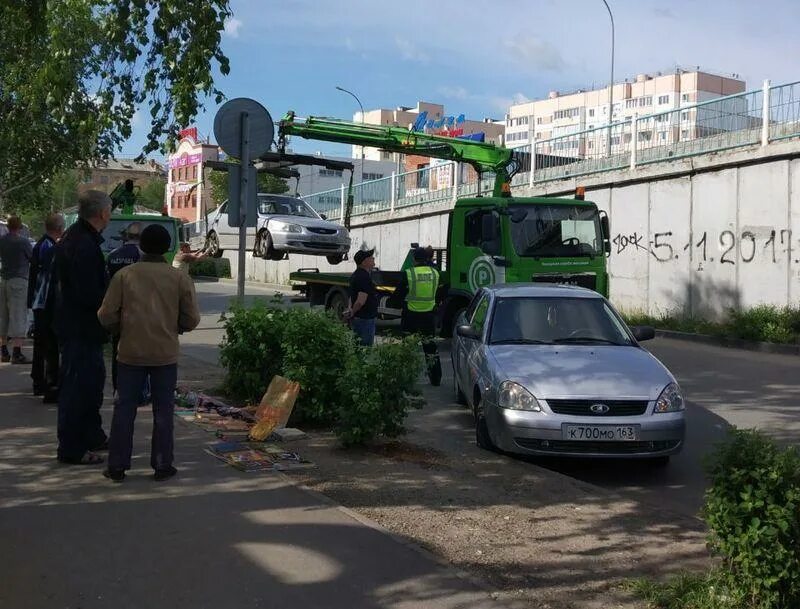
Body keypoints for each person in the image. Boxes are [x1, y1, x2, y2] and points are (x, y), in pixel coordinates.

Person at [98, 224, 200, 482]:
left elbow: (105, 314)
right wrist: (177, 326)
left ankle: (117, 466)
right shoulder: (178, 278)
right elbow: (191, 319)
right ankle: (162, 465)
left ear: (141, 246)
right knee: (163, 411)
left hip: (130, 352)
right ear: (168, 248)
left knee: (124, 409)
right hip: (164, 354)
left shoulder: (125, 275)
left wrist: (119, 329)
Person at [53, 190, 112, 465]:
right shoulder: (83, 244)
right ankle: (72, 448)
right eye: (109, 210)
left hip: (80, 327)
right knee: (78, 388)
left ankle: (92, 435)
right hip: (81, 327)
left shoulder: (79, 238)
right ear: (102, 213)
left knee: (90, 385)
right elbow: (89, 293)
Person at [28, 213, 65, 401]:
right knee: (47, 344)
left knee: (43, 343)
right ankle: (44, 382)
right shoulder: (49, 246)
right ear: (59, 228)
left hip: (39, 301)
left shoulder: (42, 244)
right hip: (45, 302)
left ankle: (40, 380)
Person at [394, 247, 442, 385]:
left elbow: (399, 294)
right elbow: (437, 293)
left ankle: (407, 378)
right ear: (427, 258)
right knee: (431, 348)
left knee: (408, 348)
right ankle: (436, 379)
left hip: (411, 316)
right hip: (428, 316)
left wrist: (396, 303)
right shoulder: (435, 273)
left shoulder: (409, 273)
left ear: (414, 259)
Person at [107, 222, 143, 395]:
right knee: (137, 353)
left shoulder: (113, 255)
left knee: (118, 351)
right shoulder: (142, 256)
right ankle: (136, 390)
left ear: (125, 237)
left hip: (118, 310)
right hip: (138, 311)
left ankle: (117, 388)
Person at [0, 215, 33, 364]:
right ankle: (17, 352)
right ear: (19, 227)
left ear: (7, 226)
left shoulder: (2, 241)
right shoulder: (23, 242)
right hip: (19, 280)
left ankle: (3, 350)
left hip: (4, 279)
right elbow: (32, 258)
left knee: (3, 315)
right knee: (18, 315)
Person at [343, 248, 378, 346]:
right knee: (364, 349)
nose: (373, 259)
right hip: (365, 319)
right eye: (371, 258)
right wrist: (352, 313)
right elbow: (360, 301)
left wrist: (350, 309)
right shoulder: (364, 277)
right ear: (364, 261)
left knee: (358, 346)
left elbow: (352, 295)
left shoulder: (356, 275)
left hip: (359, 318)